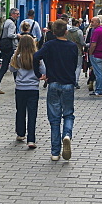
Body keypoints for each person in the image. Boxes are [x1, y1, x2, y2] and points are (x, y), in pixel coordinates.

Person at [33, 20, 77, 161]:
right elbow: (74, 64)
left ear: (52, 32)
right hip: (68, 83)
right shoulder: (72, 46)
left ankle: (55, 152)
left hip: (53, 83)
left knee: (54, 118)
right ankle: (67, 135)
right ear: (66, 31)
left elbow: (35, 56)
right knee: (68, 114)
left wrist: (39, 75)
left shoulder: (49, 45)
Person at [10, 34, 45, 149]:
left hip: (20, 88)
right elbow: (43, 70)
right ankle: (31, 139)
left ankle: (20, 133)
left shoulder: (17, 57)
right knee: (32, 114)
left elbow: (12, 69)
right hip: (33, 88)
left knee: (20, 111)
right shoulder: (36, 57)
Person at [0, 8, 20, 94]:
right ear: (12, 14)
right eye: (17, 14)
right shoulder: (11, 23)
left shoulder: (6, 21)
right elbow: (10, 35)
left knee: (4, 67)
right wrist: (18, 36)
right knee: (15, 66)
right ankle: (19, 86)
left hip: (4, 47)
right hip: (9, 47)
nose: (18, 15)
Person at [87, 15, 102, 97]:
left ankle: (99, 90)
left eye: (93, 22)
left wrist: (90, 53)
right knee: (99, 72)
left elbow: (93, 44)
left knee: (98, 73)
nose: (91, 23)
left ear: (97, 22)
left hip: (97, 54)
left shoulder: (96, 31)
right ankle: (98, 89)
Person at [66, 18, 86, 89]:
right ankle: (76, 81)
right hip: (78, 50)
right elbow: (82, 42)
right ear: (77, 24)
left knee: (70, 65)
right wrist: (86, 45)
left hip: (68, 50)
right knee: (78, 66)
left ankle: (70, 79)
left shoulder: (67, 32)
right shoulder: (79, 31)